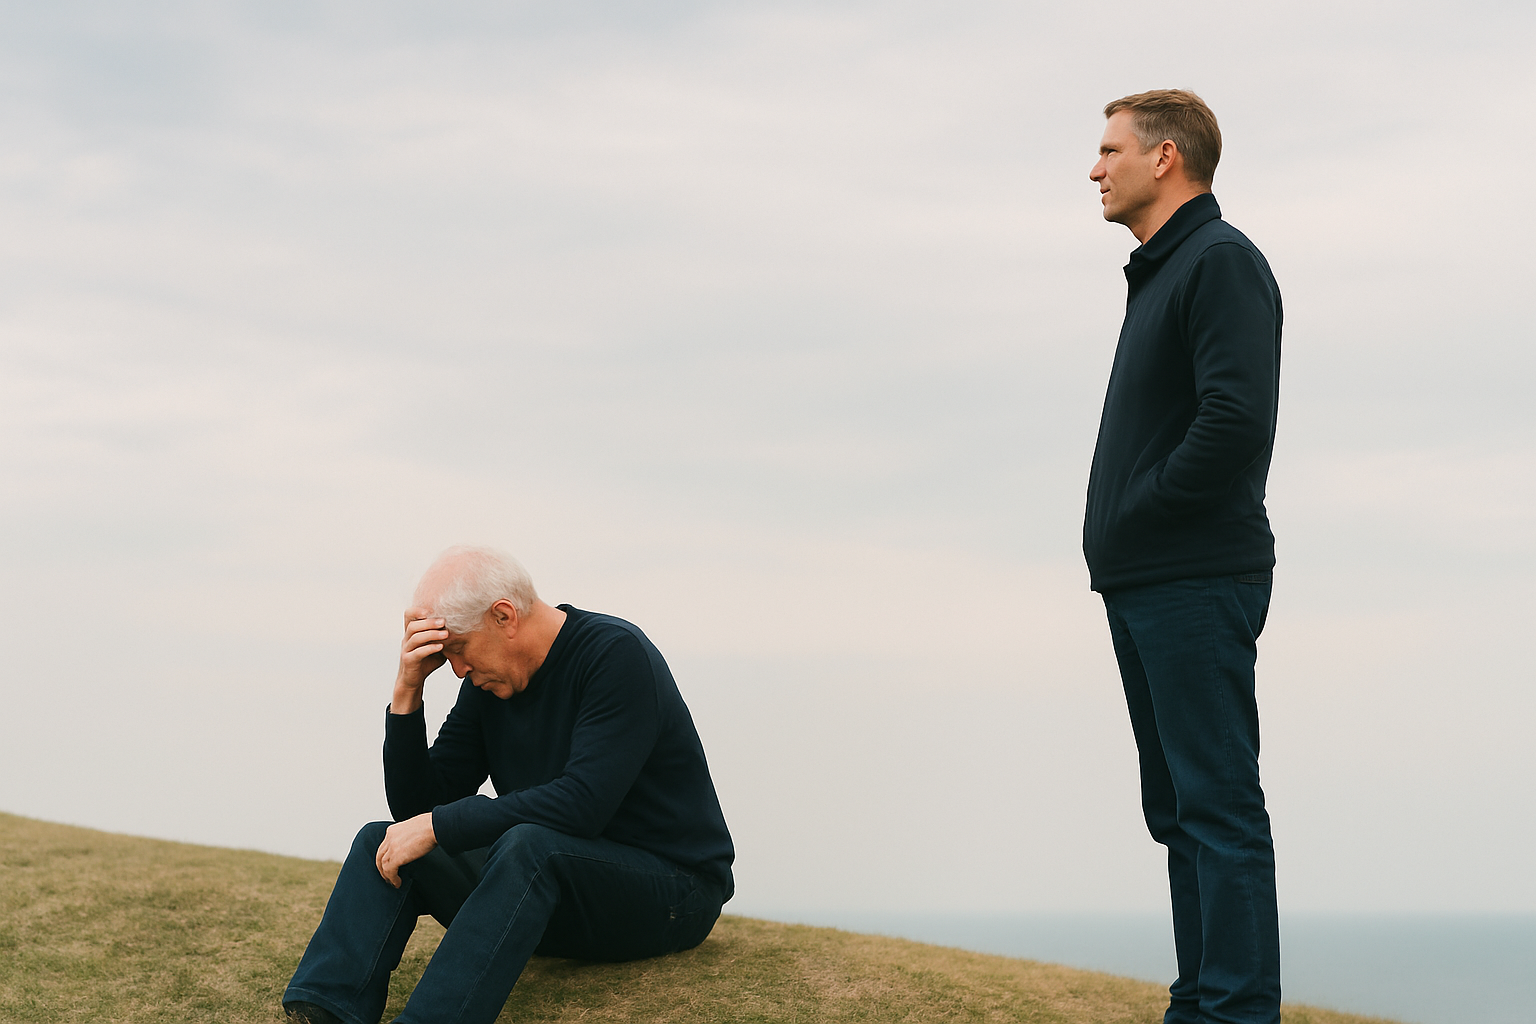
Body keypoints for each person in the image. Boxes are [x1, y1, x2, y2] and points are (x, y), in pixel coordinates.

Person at [283, 546, 734, 1024]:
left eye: (458, 649)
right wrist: (407, 692)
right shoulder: (489, 683)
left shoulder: (615, 655)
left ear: (504, 616)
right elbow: (419, 810)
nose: (456, 669)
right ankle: (326, 1009)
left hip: (673, 892)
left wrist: (438, 825)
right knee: (384, 839)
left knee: (528, 845)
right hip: (556, 887)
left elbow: (583, 805)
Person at [1084, 90, 1283, 1024]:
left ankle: (1235, 1013)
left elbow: (1235, 421)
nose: (1096, 168)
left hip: (1194, 577)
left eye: (1109, 149)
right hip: (1149, 580)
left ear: (1164, 159)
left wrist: (1144, 512)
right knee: (1178, 814)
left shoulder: (1220, 261)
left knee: (1217, 808)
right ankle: (1200, 1004)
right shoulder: (1163, 270)